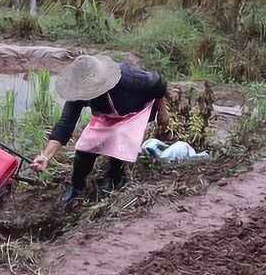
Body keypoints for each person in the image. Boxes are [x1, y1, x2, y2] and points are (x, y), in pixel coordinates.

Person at [30, 55, 169, 203]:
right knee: (86, 144)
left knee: (120, 137)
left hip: (133, 110)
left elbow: (158, 84)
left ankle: (114, 178)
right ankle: (76, 185)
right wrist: (45, 157)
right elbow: (65, 125)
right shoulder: (78, 93)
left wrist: (162, 111)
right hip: (107, 115)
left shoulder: (126, 78)